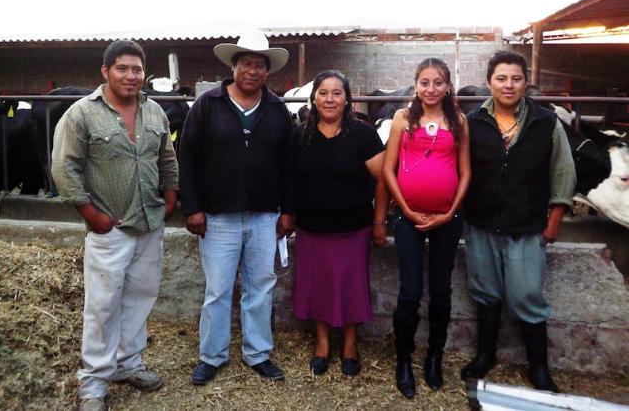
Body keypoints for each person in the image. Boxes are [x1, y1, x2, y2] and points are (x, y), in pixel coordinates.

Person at [51, 40, 179, 411]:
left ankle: (128, 364)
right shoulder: (82, 114)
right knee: (102, 306)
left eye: (137, 69)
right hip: (111, 229)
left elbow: (167, 158)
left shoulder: (154, 111)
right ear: (105, 71)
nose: (130, 75)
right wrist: (91, 215)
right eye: (122, 68)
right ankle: (93, 383)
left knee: (140, 298)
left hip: (149, 223)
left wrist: (170, 196)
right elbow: (64, 167)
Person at [178, 29, 295, 385]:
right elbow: (188, 158)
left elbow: (289, 164)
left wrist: (288, 210)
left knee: (260, 287)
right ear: (233, 66)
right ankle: (212, 356)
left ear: (267, 71)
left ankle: (257, 353)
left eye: (259, 65)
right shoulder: (207, 105)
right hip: (217, 217)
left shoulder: (277, 110)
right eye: (246, 63)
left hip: (264, 216)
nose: (252, 71)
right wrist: (192, 208)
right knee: (217, 290)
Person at [460, 50, 576, 392]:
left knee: (526, 294)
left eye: (516, 78)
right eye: (501, 78)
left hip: (526, 225)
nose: (508, 85)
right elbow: (460, 169)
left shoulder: (545, 121)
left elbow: (563, 171)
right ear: (489, 82)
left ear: (526, 83)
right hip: (481, 223)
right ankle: (485, 356)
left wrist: (555, 216)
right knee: (485, 291)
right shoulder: (473, 121)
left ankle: (539, 368)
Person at [382, 58, 470, 397]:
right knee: (410, 291)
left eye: (438, 82)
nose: (431, 89)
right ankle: (403, 359)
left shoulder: (459, 121)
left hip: (447, 219)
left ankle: (435, 356)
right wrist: (405, 208)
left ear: (447, 86)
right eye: (424, 82)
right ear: (416, 84)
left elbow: (466, 171)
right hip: (409, 218)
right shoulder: (403, 119)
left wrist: (450, 212)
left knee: (441, 289)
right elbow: (388, 169)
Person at [292, 70, 388, 377]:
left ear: (347, 99)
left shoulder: (363, 135)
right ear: (314, 98)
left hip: (353, 228)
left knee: (351, 286)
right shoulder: (300, 136)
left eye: (337, 93)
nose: (330, 99)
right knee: (317, 285)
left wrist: (379, 220)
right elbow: (290, 181)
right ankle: (322, 343)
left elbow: (384, 179)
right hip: (311, 228)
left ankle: (349, 344)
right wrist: (288, 214)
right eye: (323, 93)